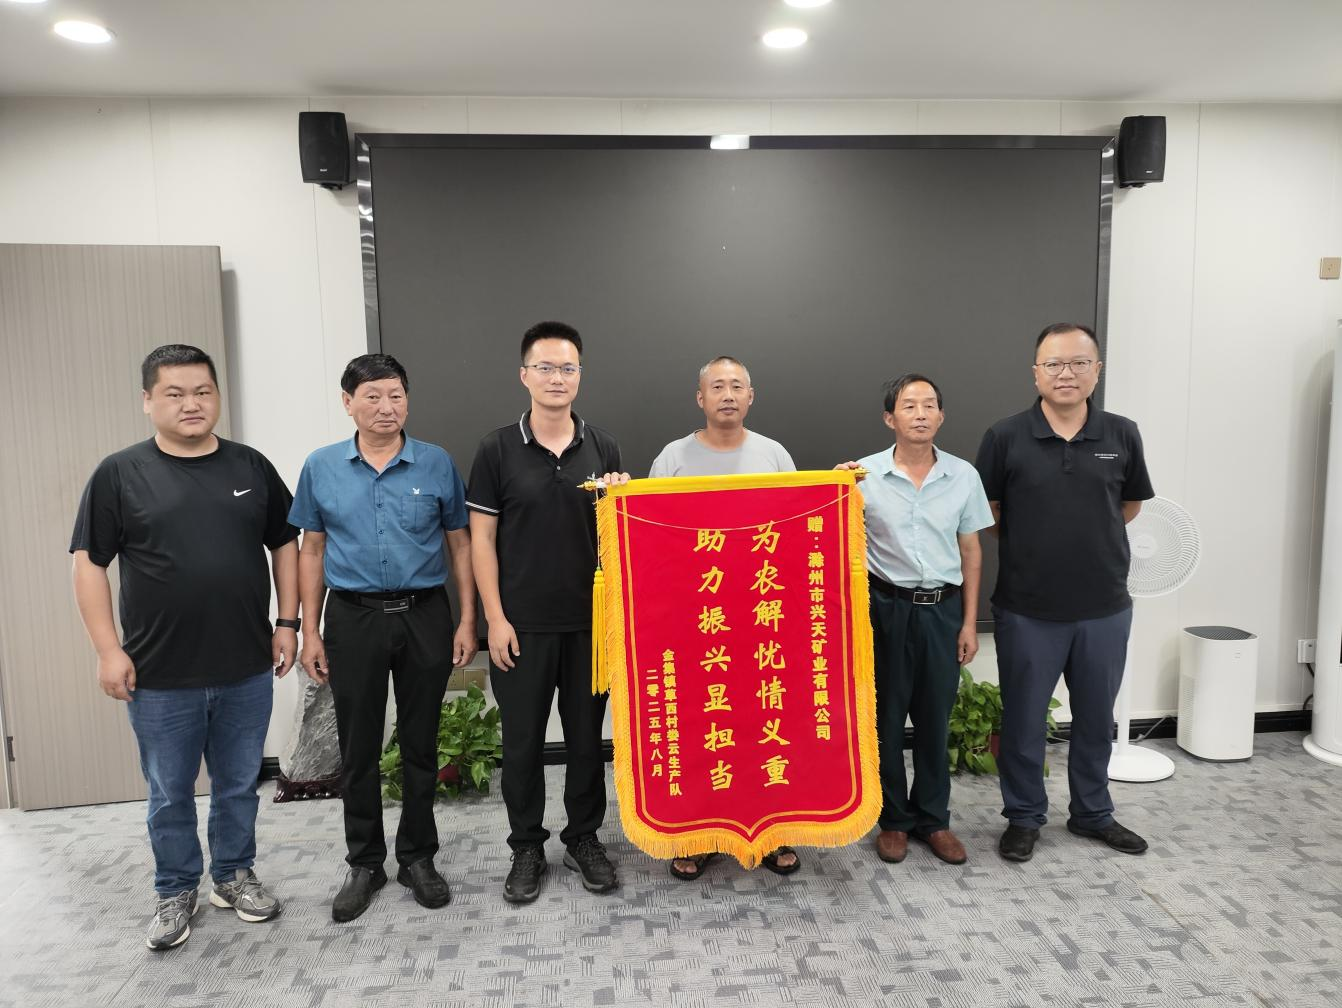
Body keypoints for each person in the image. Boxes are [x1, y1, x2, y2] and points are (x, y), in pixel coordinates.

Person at [70, 344, 297, 950]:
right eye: (174, 393)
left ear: (217, 396)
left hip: (245, 664)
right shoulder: (120, 473)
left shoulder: (251, 466)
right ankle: (175, 890)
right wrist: (107, 650)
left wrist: (288, 622)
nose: (191, 404)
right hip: (159, 672)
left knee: (238, 784)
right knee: (170, 791)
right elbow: (89, 564)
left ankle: (233, 876)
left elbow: (285, 544)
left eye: (202, 391)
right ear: (148, 400)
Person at [290, 353, 476, 922]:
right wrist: (309, 631)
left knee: (421, 743)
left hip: (424, 614)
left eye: (396, 395)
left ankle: (418, 856)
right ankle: (365, 863)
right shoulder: (321, 466)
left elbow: (461, 544)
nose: (386, 407)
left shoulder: (435, 462)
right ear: (348, 402)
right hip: (354, 617)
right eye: (372, 396)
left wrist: (467, 619)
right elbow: (312, 550)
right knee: (359, 746)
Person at [975, 322, 1155, 863]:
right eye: (1053, 364)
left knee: (1096, 718)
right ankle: (1024, 816)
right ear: (1036, 373)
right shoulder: (1005, 436)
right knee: (1024, 720)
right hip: (1027, 608)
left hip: (1104, 607)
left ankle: (1093, 813)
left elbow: (1129, 506)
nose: (1066, 374)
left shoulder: (1122, 433)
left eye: (1078, 362)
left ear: (1096, 370)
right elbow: (988, 512)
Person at [467, 320, 627, 904]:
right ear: (524, 375)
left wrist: (619, 497)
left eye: (567, 368)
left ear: (580, 376)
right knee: (522, 745)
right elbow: (482, 540)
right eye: (546, 367)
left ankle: (584, 838)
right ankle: (527, 847)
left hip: (590, 625)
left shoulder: (603, 447)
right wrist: (495, 618)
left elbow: (618, 537)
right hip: (521, 626)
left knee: (586, 742)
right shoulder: (496, 448)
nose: (557, 378)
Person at [651, 355, 802, 880]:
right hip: (697, 621)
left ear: (751, 396)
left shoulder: (774, 455)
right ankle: (698, 835)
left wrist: (839, 491)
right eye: (717, 386)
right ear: (701, 398)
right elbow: (653, 539)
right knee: (704, 727)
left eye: (737, 386)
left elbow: (798, 528)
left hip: (762, 618)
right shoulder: (673, 458)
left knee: (766, 725)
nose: (728, 395)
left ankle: (772, 831)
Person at [836, 374, 993, 866]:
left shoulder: (963, 475)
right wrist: (835, 486)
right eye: (909, 406)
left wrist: (969, 623)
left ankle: (934, 819)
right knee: (885, 718)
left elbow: (972, 551)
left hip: (943, 609)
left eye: (929, 405)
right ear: (890, 418)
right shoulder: (862, 475)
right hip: (885, 609)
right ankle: (894, 821)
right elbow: (830, 531)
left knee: (934, 718)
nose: (920, 414)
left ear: (941, 415)